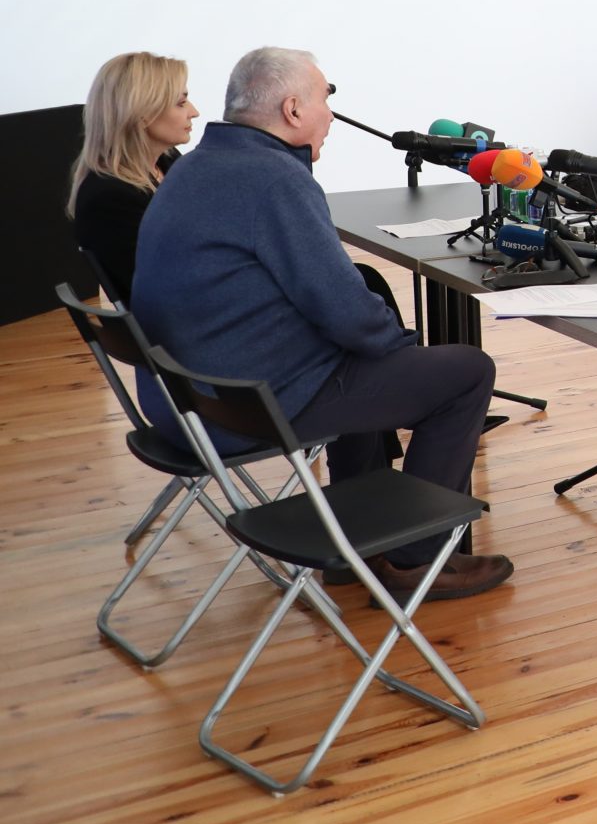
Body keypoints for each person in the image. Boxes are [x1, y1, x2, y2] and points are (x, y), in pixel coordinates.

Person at [130, 48, 510, 600]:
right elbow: (346, 309)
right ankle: (415, 559)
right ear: (292, 110)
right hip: (240, 406)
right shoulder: (272, 178)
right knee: (465, 373)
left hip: (183, 398)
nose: (330, 115)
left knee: (365, 358)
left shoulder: (194, 166)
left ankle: (359, 549)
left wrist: (382, 348)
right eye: (324, 99)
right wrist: (400, 348)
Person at [68, 51, 199, 302]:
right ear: (142, 114)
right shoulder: (109, 197)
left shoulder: (167, 160)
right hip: (181, 315)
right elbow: (163, 286)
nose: (194, 112)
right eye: (181, 103)